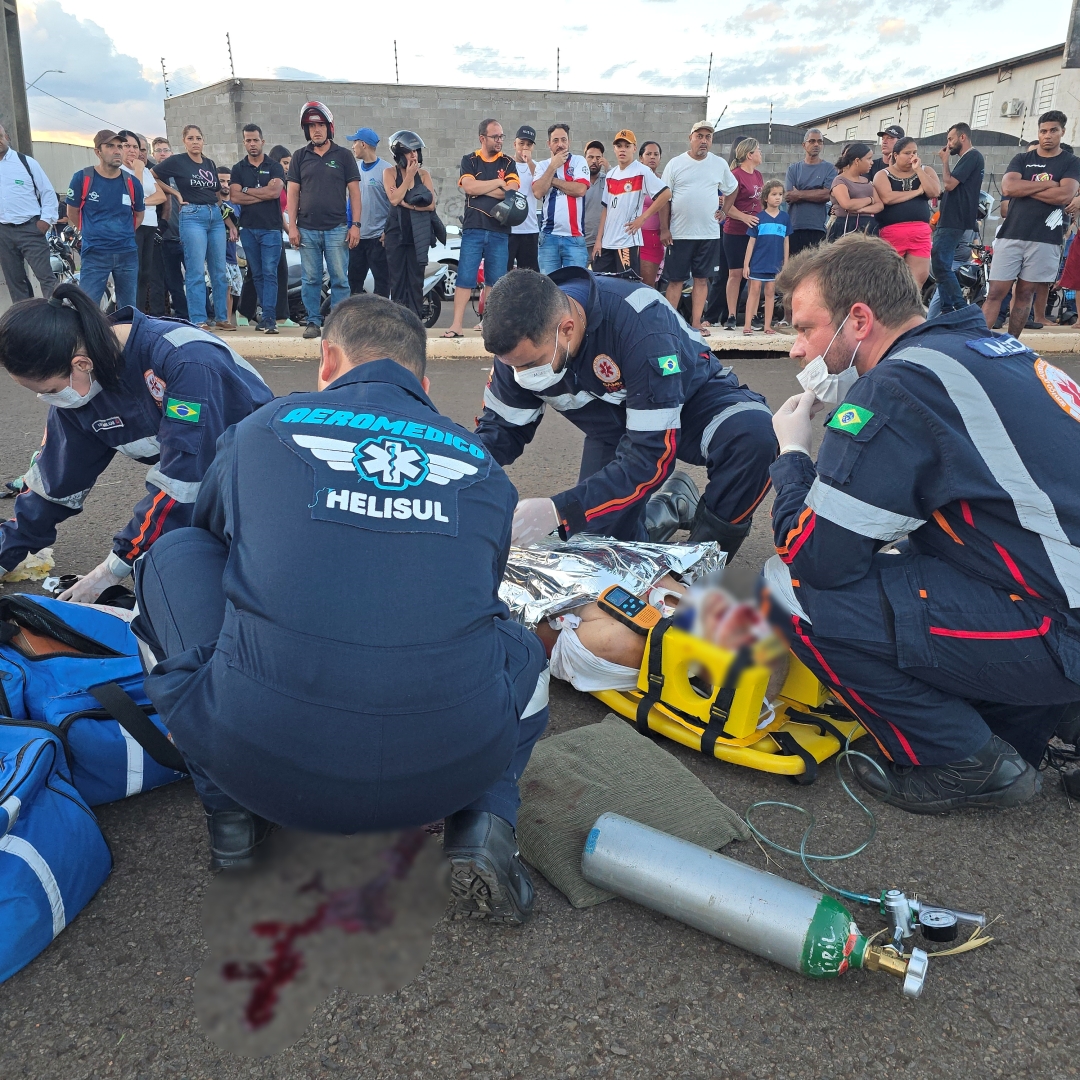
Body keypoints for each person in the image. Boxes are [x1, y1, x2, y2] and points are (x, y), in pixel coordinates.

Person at [129, 294, 549, 926]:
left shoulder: (264, 428)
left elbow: (215, 541)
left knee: (173, 553)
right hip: (448, 771)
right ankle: (486, 822)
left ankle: (233, 820)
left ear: (328, 360)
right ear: (423, 383)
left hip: (259, 764)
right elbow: (479, 598)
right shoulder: (480, 462)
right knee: (519, 644)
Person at [767, 233, 1080, 814]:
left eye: (805, 328)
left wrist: (791, 456)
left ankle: (963, 761)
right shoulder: (986, 349)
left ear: (859, 320)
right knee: (911, 556)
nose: (796, 349)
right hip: (1060, 586)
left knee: (789, 589)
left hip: (1063, 625)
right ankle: (1041, 713)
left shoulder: (897, 388)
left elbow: (817, 558)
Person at [0, 281, 272, 600]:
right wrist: (6, 551)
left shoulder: (185, 359)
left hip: (262, 478)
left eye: (49, 390)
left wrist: (112, 568)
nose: (49, 400)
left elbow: (184, 481)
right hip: (206, 480)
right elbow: (54, 483)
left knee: (192, 583)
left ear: (81, 364)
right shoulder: (79, 387)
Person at [476, 268, 777, 555]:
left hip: (692, 402)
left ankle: (699, 563)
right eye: (511, 366)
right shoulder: (521, 345)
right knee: (597, 548)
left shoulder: (640, 322)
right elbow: (499, 433)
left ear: (567, 329)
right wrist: (455, 469)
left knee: (755, 438)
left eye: (530, 364)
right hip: (613, 430)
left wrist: (560, 510)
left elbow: (650, 454)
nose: (521, 375)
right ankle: (670, 506)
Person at [983, 111, 1080, 339]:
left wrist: (1025, 189)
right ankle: (980, 342)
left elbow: (1065, 195)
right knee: (995, 292)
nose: (1047, 135)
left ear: (1062, 132)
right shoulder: (1022, 159)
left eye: (1053, 130)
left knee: (1025, 293)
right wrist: (1051, 185)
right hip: (1011, 234)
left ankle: (1011, 344)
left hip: (1045, 239)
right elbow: (1009, 188)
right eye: (1043, 131)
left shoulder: (1071, 162)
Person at [286, 102, 362, 340]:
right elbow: (292, 193)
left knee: (340, 279)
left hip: (337, 229)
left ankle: (338, 324)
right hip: (307, 229)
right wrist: (292, 226)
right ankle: (313, 322)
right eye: (311, 126)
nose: (316, 130)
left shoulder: (344, 156)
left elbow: (355, 193)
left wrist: (355, 225)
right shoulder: (299, 156)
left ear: (329, 127)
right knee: (311, 279)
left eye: (320, 125)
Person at [442, 119, 519, 338]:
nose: (500, 140)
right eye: (495, 137)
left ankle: (488, 324)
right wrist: (498, 183)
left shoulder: (508, 162)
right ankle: (456, 325)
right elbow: (468, 187)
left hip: (499, 229)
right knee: (465, 277)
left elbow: (511, 191)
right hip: (473, 227)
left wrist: (481, 189)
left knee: (495, 280)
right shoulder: (470, 160)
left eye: (502, 136)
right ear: (482, 138)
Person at [660, 121, 738, 335]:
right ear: (691, 138)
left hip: (708, 233)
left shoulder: (719, 164)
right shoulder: (675, 164)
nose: (703, 141)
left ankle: (696, 323)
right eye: (699, 136)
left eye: (708, 137)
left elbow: (733, 188)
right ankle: (670, 326)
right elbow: (664, 198)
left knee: (701, 279)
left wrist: (725, 211)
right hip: (679, 234)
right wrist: (664, 229)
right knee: (675, 280)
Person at [152, 125, 229, 331]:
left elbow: (216, 190)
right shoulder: (177, 161)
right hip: (192, 215)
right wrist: (176, 194)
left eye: (198, 138)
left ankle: (222, 317)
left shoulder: (209, 163)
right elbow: (152, 175)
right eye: (191, 138)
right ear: (184, 141)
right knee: (195, 269)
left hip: (214, 216)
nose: (195, 142)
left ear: (203, 140)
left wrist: (219, 207)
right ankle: (198, 319)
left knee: (219, 270)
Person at [68, 130, 144, 311]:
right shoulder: (82, 178)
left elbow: (139, 215)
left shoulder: (132, 183)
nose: (117, 151)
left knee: (128, 310)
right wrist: (92, 233)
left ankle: (125, 331)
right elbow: (72, 212)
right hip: (95, 253)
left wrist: (123, 234)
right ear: (98, 152)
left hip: (126, 253)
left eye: (120, 146)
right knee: (88, 308)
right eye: (110, 146)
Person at [591, 129, 670, 277]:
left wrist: (642, 218)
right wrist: (599, 241)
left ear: (634, 148)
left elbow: (666, 194)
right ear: (614, 149)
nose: (623, 149)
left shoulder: (641, 171)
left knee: (627, 285)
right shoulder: (611, 174)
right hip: (607, 242)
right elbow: (606, 209)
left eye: (627, 146)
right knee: (601, 282)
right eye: (619, 146)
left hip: (627, 241)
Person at [229, 124, 285, 334]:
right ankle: (266, 317)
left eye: (255, 140)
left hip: (271, 228)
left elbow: (274, 193)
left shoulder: (274, 166)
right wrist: (262, 192)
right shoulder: (238, 168)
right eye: (248, 140)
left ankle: (269, 318)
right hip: (248, 229)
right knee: (258, 274)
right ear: (244, 142)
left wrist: (247, 190)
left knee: (270, 273)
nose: (252, 144)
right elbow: (235, 197)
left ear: (263, 141)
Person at [929, 123, 985, 317]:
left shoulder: (972, 156)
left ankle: (960, 308)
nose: (948, 144)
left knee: (940, 264)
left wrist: (945, 161)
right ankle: (947, 309)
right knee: (941, 266)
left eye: (950, 139)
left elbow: (950, 184)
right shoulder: (967, 159)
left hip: (955, 220)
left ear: (963, 137)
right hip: (952, 219)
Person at [0, 122, 58, 303]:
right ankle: (25, 317)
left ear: (7, 137)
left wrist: (45, 221)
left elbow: (47, 192)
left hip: (30, 229)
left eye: (0, 136)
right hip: (3, 233)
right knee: (15, 281)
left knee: (46, 278)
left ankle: (56, 315)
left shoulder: (25, 163)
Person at [872, 136, 940, 290]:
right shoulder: (883, 174)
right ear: (896, 155)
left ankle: (911, 305)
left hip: (920, 233)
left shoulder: (926, 170)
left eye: (914, 152)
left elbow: (934, 192)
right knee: (889, 278)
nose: (912, 156)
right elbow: (888, 198)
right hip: (892, 232)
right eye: (907, 153)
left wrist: (918, 170)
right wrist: (917, 192)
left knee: (918, 279)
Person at [383, 130, 438, 320]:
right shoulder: (389, 173)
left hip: (417, 235)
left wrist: (408, 205)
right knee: (397, 281)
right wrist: (408, 177)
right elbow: (394, 199)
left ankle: (415, 322)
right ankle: (398, 322)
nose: (413, 155)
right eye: (409, 152)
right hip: (396, 234)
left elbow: (431, 205)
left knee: (416, 281)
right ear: (399, 155)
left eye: (415, 151)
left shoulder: (424, 175)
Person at [532, 124, 591, 273]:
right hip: (548, 238)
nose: (560, 144)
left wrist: (551, 180)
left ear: (569, 142)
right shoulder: (543, 166)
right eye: (555, 140)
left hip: (574, 238)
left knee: (575, 284)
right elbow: (538, 192)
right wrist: (552, 167)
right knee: (549, 285)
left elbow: (580, 190)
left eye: (563, 140)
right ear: (549, 144)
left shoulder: (578, 161)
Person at [721, 138, 766, 332]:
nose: (761, 153)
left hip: (755, 232)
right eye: (758, 150)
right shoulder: (735, 175)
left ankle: (752, 315)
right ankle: (731, 315)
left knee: (755, 274)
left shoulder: (758, 175)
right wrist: (744, 217)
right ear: (749, 154)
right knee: (736, 273)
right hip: (735, 231)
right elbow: (726, 206)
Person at [345, 126, 391, 299]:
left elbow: (394, 204)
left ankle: (381, 315)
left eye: (355, 142)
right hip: (357, 238)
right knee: (353, 284)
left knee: (382, 284)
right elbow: (350, 201)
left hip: (378, 239)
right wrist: (349, 226)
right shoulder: (353, 169)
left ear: (363, 144)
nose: (352, 146)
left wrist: (388, 230)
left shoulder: (386, 170)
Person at [742, 180, 789, 335]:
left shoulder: (785, 218)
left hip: (775, 263)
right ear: (765, 198)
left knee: (770, 292)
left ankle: (767, 326)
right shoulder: (759, 218)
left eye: (780, 194)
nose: (778, 197)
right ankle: (747, 325)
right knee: (754, 291)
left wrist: (786, 263)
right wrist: (746, 264)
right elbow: (750, 243)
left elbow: (786, 242)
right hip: (758, 262)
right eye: (774, 194)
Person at [783, 128, 836, 256]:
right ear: (804, 145)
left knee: (814, 265)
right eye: (812, 141)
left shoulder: (829, 169)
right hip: (795, 227)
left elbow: (827, 195)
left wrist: (799, 194)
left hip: (817, 227)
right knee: (793, 265)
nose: (816, 144)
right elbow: (789, 196)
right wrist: (816, 192)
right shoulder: (793, 169)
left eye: (819, 141)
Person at [152, 138, 187, 320]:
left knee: (196, 278)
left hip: (187, 237)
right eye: (158, 150)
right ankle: (182, 316)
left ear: (171, 153)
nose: (163, 153)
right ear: (153, 155)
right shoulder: (150, 179)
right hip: (166, 239)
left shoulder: (179, 177)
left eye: (166, 150)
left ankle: (204, 314)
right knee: (173, 283)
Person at [827, 142, 883, 240]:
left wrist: (860, 210)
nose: (872, 162)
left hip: (868, 227)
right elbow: (847, 204)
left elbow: (879, 205)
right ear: (857, 161)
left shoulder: (867, 182)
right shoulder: (840, 180)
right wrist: (870, 200)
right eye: (868, 159)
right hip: (847, 227)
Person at [508, 125, 540, 272]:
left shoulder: (537, 166)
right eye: (521, 144)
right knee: (504, 273)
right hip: (508, 230)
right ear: (515, 144)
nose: (524, 148)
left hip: (529, 230)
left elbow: (541, 187)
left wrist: (529, 162)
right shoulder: (507, 165)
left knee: (529, 276)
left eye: (529, 144)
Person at [216, 168, 242, 329]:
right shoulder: (213, 205)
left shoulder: (237, 205)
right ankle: (222, 320)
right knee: (224, 285)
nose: (225, 185)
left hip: (232, 252)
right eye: (222, 181)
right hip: (217, 252)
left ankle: (227, 321)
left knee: (231, 288)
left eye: (228, 181)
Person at [638, 141, 665, 287]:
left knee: (647, 285)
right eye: (648, 154)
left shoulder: (663, 181)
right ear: (641, 158)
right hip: (631, 238)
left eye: (656, 154)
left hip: (652, 239)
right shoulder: (633, 179)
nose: (652, 157)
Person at [582, 140, 607, 259]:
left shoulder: (607, 180)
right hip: (580, 242)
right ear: (584, 159)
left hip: (603, 242)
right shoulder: (578, 181)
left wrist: (608, 168)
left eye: (598, 158)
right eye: (590, 157)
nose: (594, 161)